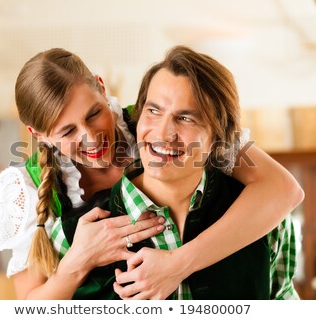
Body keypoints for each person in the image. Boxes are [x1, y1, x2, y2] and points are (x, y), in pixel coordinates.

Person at [0, 48, 304, 299]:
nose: (90, 137)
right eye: (68, 130)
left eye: (94, 114)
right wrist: (78, 260)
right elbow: (30, 305)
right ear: (40, 135)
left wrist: (177, 265)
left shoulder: (152, 123)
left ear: (102, 89)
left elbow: (283, 190)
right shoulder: (26, 189)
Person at [110, 45, 298, 299]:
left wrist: (176, 265)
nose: (163, 133)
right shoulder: (82, 232)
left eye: (186, 118)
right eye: (153, 111)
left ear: (218, 140)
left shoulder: (266, 221)